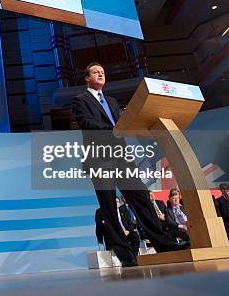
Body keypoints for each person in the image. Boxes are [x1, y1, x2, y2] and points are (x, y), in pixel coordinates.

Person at [72, 62, 189, 267]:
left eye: (103, 71)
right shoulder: (80, 100)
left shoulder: (112, 101)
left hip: (121, 158)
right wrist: (115, 128)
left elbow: (124, 125)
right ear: (87, 78)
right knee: (109, 207)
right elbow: (86, 123)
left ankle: (164, 245)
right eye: (95, 72)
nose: (101, 73)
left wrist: (126, 126)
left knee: (142, 199)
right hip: (99, 158)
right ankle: (126, 256)